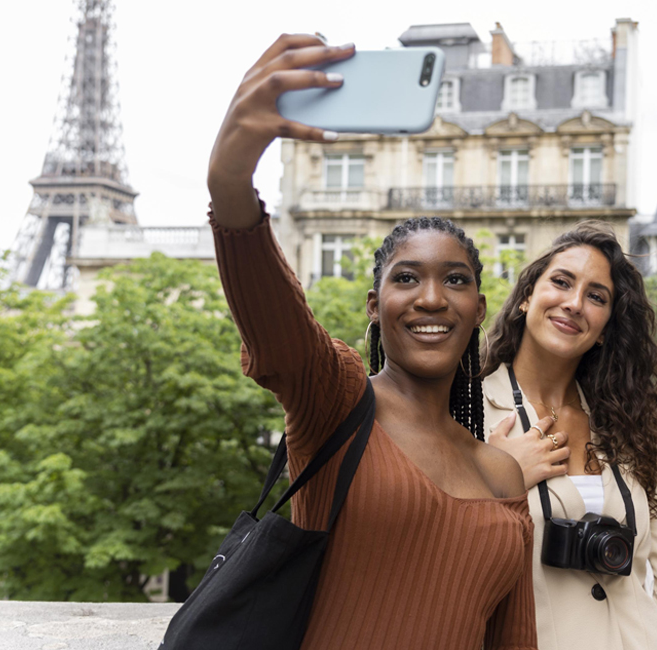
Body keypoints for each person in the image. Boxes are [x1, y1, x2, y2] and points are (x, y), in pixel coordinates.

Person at [208, 33, 536, 649]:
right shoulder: (335, 400)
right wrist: (230, 177)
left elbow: (514, 640)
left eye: (455, 281)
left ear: (478, 311)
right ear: (375, 307)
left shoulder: (501, 473)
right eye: (406, 278)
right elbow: (276, 325)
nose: (432, 298)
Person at [481, 222, 657, 650]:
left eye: (596, 296)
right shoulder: (471, 411)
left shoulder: (630, 428)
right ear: (528, 296)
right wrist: (500, 476)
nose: (574, 303)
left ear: (604, 329)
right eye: (561, 282)